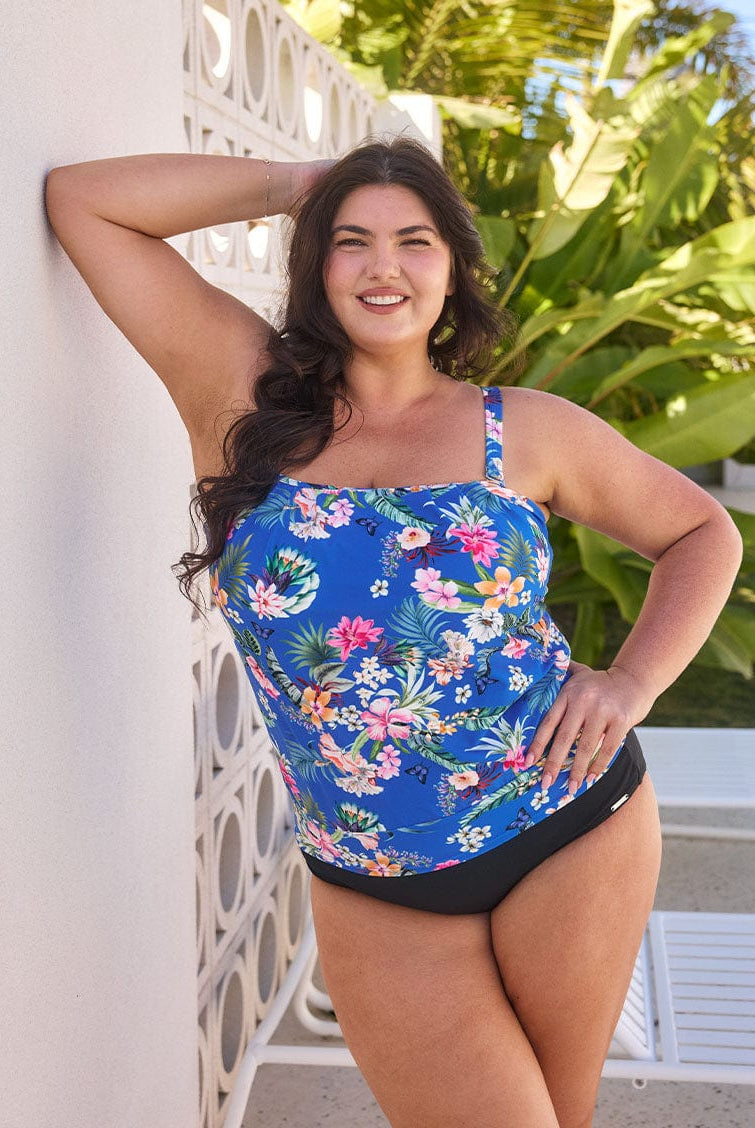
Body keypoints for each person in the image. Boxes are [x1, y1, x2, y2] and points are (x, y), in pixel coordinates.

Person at [45, 136, 742, 1128]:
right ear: (313, 263)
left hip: (566, 829)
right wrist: (304, 182)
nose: (382, 266)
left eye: (413, 240)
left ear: (452, 268)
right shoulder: (240, 395)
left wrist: (626, 686)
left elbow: (698, 532)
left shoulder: (523, 428)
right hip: (376, 886)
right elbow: (85, 201)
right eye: (350, 240)